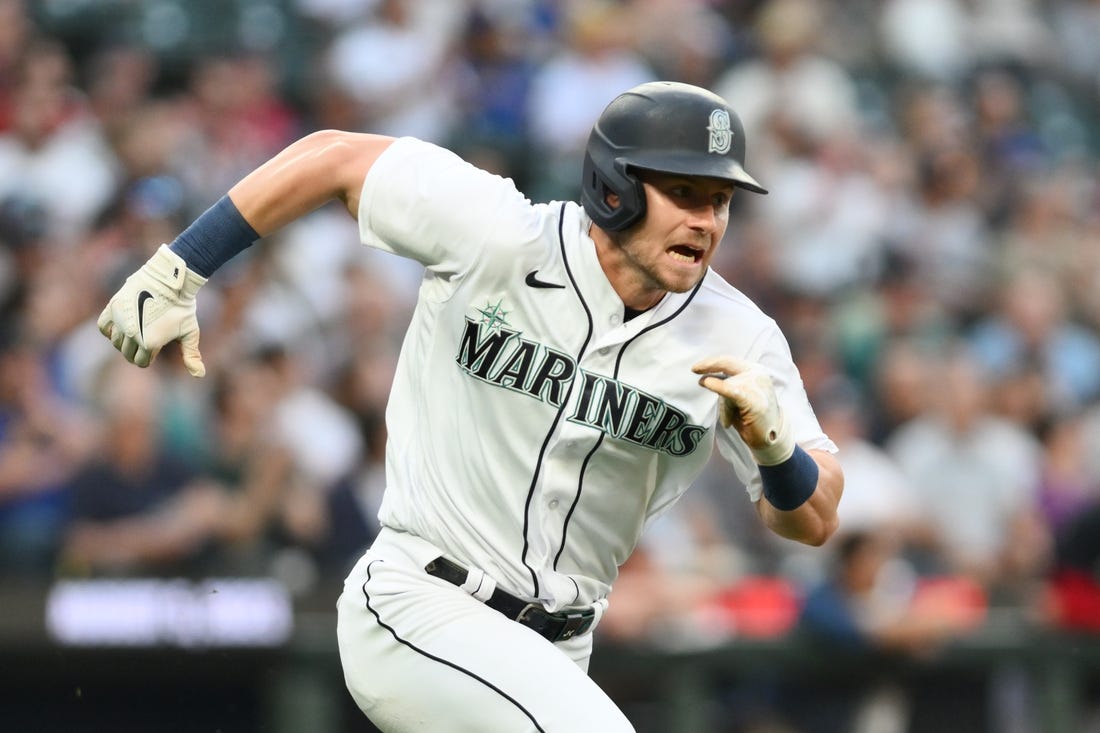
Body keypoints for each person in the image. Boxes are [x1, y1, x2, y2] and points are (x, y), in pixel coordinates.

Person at [96, 81, 843, 732]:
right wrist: (182, 264)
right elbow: (332, 157)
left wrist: (777, 452)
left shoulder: (740, 335)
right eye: (684, 193)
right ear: (614, 184)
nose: (706, 221)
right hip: (421, 601)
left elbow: (813, 519)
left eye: (719, 201)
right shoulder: (499, 232)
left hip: (558, 651)